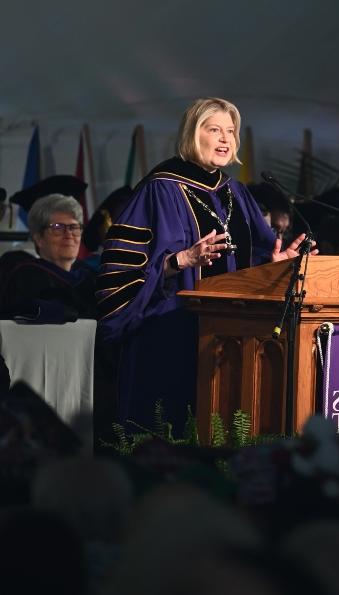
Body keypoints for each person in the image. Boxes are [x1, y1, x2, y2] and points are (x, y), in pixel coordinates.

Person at [97, 97, 314, 433]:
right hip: (168, 330)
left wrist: (273, 265)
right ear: (191, 135)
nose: (226, 139)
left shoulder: (236, 193)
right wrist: (180, 260)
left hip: (228, 335)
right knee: (167, 427)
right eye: (215, 130)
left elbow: (251, 259)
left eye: (231, 131)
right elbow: (119, 268)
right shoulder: (160, 189)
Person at [0, 186, 96, 321]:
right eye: (58, 227)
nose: (69, 234)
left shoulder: (89, 277)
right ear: (39, 238)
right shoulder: (26, 277)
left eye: (74, 227)